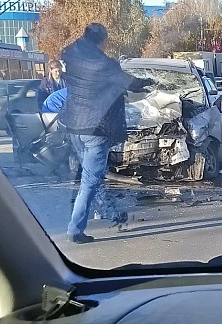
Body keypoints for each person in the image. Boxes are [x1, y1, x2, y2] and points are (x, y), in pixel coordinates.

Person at [58, 23, 153, 244]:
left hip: (74, 125)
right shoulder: (104, 64)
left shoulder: (72, 56)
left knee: (90, 176)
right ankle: (75, 229)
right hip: (95, 128)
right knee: (90, 180)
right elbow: (130, 83)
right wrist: (149, 82)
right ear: (102, 40)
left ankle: (108, 213)